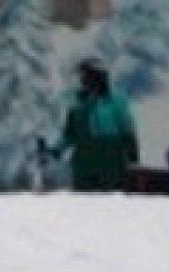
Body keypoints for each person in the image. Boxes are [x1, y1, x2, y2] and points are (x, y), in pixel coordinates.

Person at [44, 56, 136, 194]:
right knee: (85, 204)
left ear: (97, 77)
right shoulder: (76, 103)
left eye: (85, 75)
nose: (82, 80)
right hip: (84, 163)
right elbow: (70, 134)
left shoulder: (115, 101)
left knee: (112, 201)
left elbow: (127, 129)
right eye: (82, 76)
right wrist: (56, 150)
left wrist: (132, 154)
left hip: (111, 161)